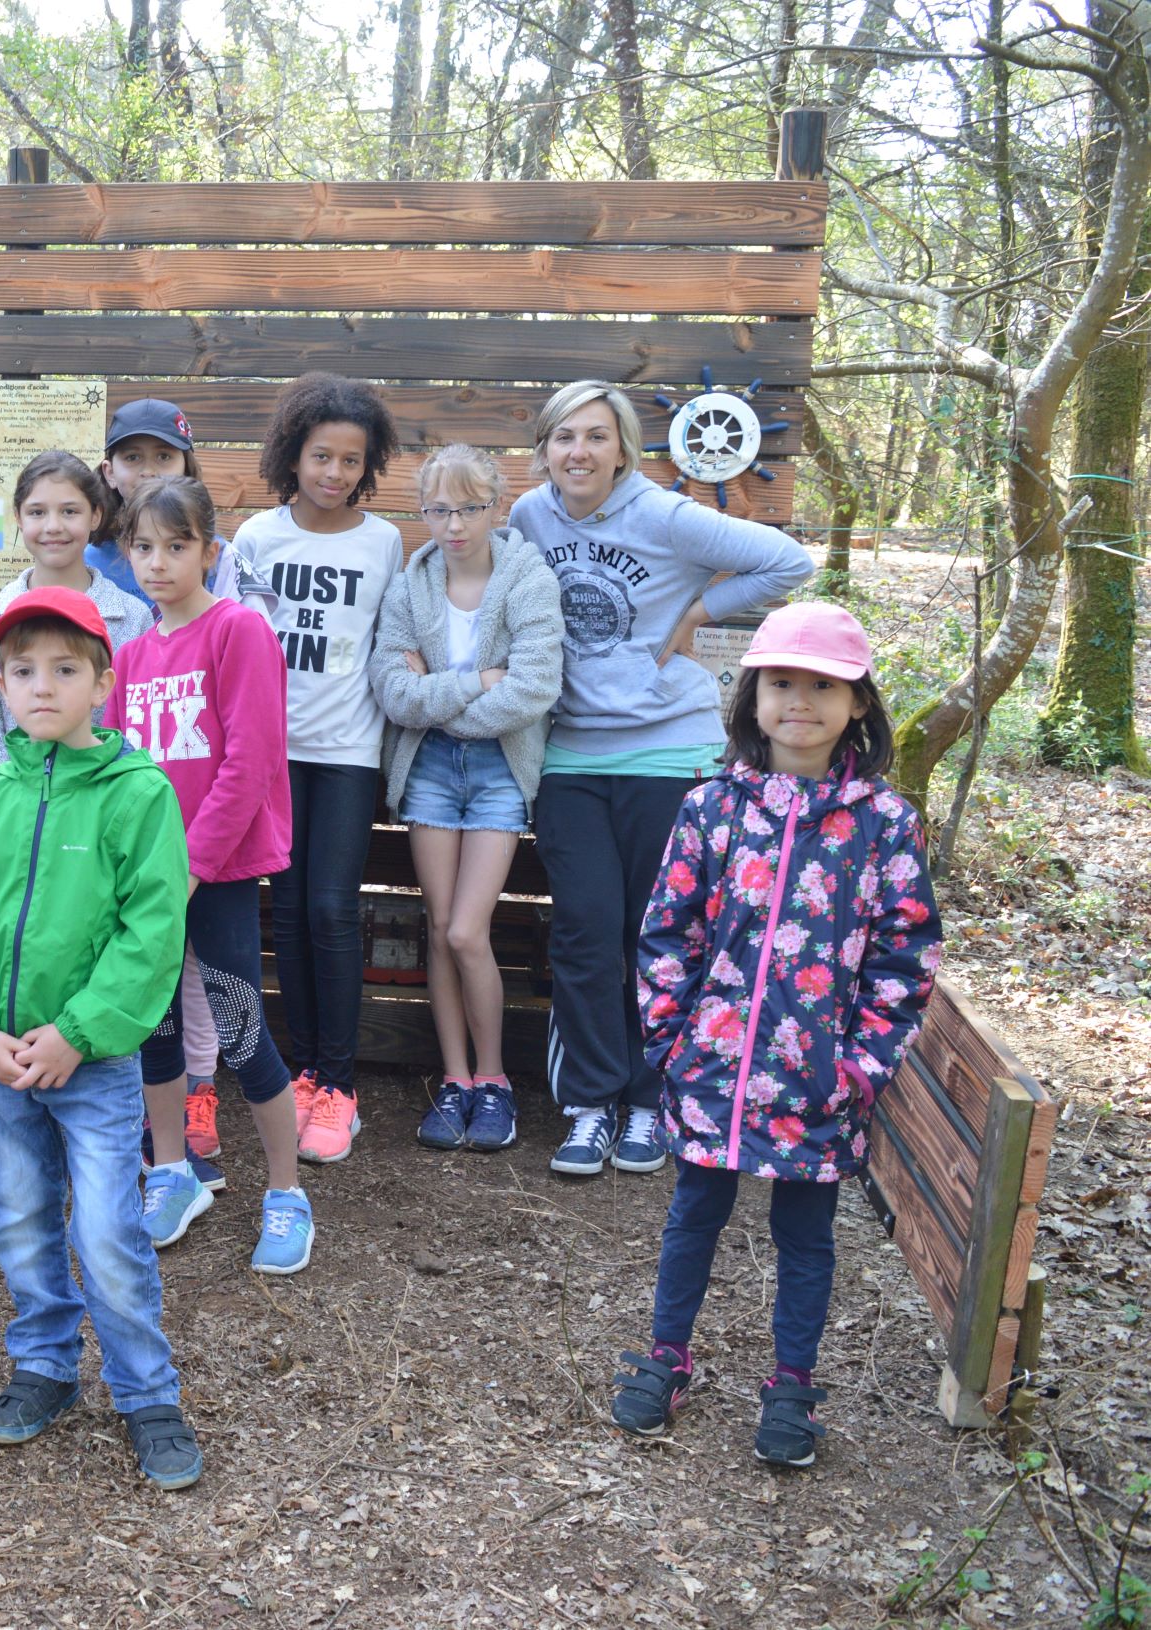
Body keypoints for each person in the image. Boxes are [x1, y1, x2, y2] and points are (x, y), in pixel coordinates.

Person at [609, 602, 939, 1467]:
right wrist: (673, 1039)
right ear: (752, 699)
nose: (801, 702)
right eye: (783, 683)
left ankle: (793, 1383)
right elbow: (666, 930)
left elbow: (907, 955)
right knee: (694, 1214)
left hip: (818, 1083)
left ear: (858, 703)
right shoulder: (712, 809)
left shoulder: (886, 824)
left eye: (823, 686)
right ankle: (667, 1355)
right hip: (712, 1067)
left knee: (807, 1234)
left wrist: (862, 1066)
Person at [0, 585, 202, 1491]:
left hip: (92, 1063)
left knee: (111, 1232)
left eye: (64, 670)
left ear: (102, 682)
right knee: (20, 1222)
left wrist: (79, 1033)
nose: (40, 687)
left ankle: (148, 1395)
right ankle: (45, 1369)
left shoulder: (137, 794)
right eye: (21, 671)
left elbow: (150, 931)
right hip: (1, 1062)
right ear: (0, 684)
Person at [510, 381, 815, 1179]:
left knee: (658, 936)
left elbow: (789, 561)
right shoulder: (527, 519)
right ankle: (588, 1103)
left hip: (666, 755)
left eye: (597, 437)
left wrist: (699, 616)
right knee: (583, 927)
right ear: (544, 447)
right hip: (570, 755)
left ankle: (649, 1102)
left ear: (624, 449)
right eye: (564, 436)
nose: (579, 452)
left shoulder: (664, 515)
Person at [100, 480, 308, 1273]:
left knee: (240, 1026)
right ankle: (172, 1172)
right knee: (150, 1029)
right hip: (148, 880)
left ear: (210, 553)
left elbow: (249, 763)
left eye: (177, 546)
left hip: (211, 874)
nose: (158, 563)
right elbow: (117, 774)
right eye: (144, 547)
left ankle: (286, 1195)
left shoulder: (238, 632)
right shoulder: (129, 656)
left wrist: (188, 868)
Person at [365, 446, 564, 1155]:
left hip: (498, 774)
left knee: (464, 932)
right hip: (428, 775)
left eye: (469, 507)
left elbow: (533, 689)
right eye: (438, 509)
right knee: (439, 923)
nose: (453, 524)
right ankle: (455, 1081)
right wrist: (476, 683)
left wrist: (438, 698)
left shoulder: (528, 578)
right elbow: (392, 689)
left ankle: (496, 1081)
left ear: (496, 506)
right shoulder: (408, 585)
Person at [233, 374, 405, 1166]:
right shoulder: (255, 539)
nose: (334, 473)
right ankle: (303, 1075)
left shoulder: (383, 543)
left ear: (368, 468)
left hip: (346, 754)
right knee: (290, 909)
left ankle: (339, 1086)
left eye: (350, 461)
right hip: (272, 753)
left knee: (334, 910)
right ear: (291, 457)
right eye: (320, 457)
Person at [0, 451, 153, 772]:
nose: (53, 526)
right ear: (18, 517)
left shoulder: (134, 617)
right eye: (37, 512)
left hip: (107, 798)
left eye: (69, 511)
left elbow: (138, 725)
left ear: (95, 516)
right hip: (20, 803)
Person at [85, 399, 239, 605]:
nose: (149, 471)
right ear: (110, 472)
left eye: (164, 456)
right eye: (132, 457)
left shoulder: (222, 559)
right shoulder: (86, 561)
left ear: (186, 468)